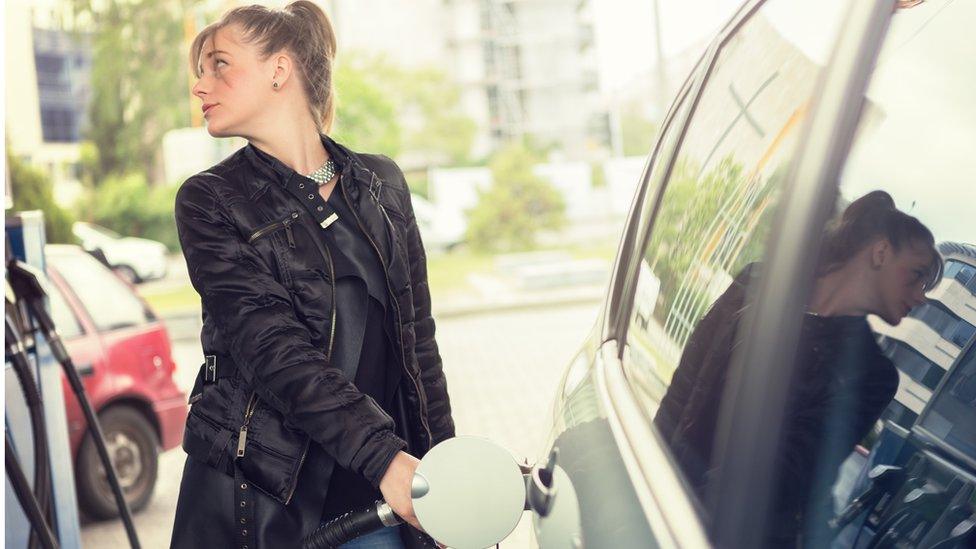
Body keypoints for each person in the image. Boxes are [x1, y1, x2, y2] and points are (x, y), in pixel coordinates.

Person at [168, 3, 454, 548]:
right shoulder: (210, 201)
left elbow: (419, 350)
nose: (200, 86)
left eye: (219, 65)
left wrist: (446, 471)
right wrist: (389, 462)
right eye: (200, 71)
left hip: (381, 496)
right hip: (264, 497)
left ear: (280, 70)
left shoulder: (382, 185)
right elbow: (273, 349)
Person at [653, 190, 943, 546]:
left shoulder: (872, 375)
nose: (921, 296)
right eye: (916, 275)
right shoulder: (757, 284)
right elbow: (683, 393)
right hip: (661, 497)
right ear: (880, 252)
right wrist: (645, 480)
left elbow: (780, 480)